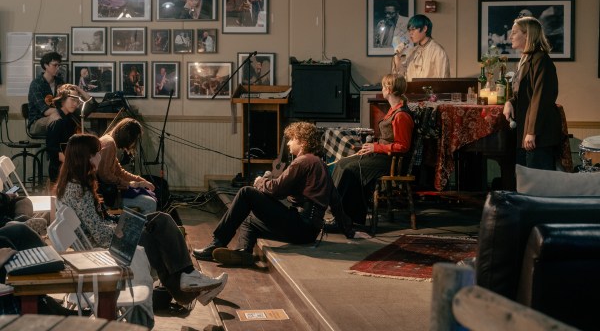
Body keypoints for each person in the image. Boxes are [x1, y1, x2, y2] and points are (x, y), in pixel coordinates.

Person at [55, 134, 227, 306]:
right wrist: (128, 226)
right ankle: (189, 281)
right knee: (157, 233)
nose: (100, 156)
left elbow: (99, 222)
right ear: (87, 157)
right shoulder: (78, 190)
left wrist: (125, 221)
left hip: (105, 240)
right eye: (97, 153)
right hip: (103, 248)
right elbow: (99, 235)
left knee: (160, 220)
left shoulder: (74, 182)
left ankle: (190, 281)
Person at [193, 122, 334, 266]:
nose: (288, 143)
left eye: (292, 139)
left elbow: (276, 190)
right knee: (249, 220)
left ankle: (217, 243)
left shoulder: (303, 161)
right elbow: (336, 198)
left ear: (303, 142)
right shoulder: (320, 164)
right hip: (309, 232)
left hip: (300, 225)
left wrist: (261, 181)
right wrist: (349, 230)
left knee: (246, 192)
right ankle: (243, 252)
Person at [332, 75, 414, 225]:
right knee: (342, 163)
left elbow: (403, 147)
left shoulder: (401, 115)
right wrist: (371, 147)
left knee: (351, 169)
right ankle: (337, 210)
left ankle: (351, 218)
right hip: (382, 155)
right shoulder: (393, 110)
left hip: (390, 161)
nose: (382, 89)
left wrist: (375, 147)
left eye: (383, 87)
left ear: (389, 89)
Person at [503, 16, 561, 170]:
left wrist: (532, 132)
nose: (510, 36)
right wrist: (510, 102)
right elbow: (523, 94)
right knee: (526, 182)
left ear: (527, 35)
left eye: (514, 33)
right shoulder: (525, 59)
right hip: (526, 132)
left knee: (538, 185)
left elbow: (540, 98)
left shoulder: (541, 60)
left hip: (539, 134)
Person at [97, 118, 157, 214]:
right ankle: (140, 229)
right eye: (134, 139)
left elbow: (119, 171)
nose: (133, 143)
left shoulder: (109, 141)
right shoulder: (109, 144)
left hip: (110, 192)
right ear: (128, 136)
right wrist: (127, 184)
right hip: (107, 196)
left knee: (147, 196)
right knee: (150, 203)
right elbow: (104, 174)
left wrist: (141, 181)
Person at [46, 84, 91, 182]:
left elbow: (92, 103)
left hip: (69, 167)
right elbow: (53, 150)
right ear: (63, 100)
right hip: (60, 170)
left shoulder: (71, 116)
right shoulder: (57, 120)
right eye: (72, 100)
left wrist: (78, 88)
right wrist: (74, 165)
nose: (75, 104)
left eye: (76, 101)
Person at [391, 14, 450, 81]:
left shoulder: (438, 51)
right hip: (412, 91)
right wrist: (397, 58)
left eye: (413, 29)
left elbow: (443, 79)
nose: (410, 33)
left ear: (424, 28)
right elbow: (403, 77)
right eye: (409, 30)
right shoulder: (412, 51)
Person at [27, 52, 65, 136]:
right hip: (37, 122)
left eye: (59, 65)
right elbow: (45, 111)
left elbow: (64, 102)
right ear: (46, 65)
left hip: (57, 116)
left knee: (65, 120)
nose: (58, 68)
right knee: (57, 118)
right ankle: (53, 148)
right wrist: (65, 111)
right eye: (55, 65)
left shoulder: (60, 81)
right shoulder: (36, 84)